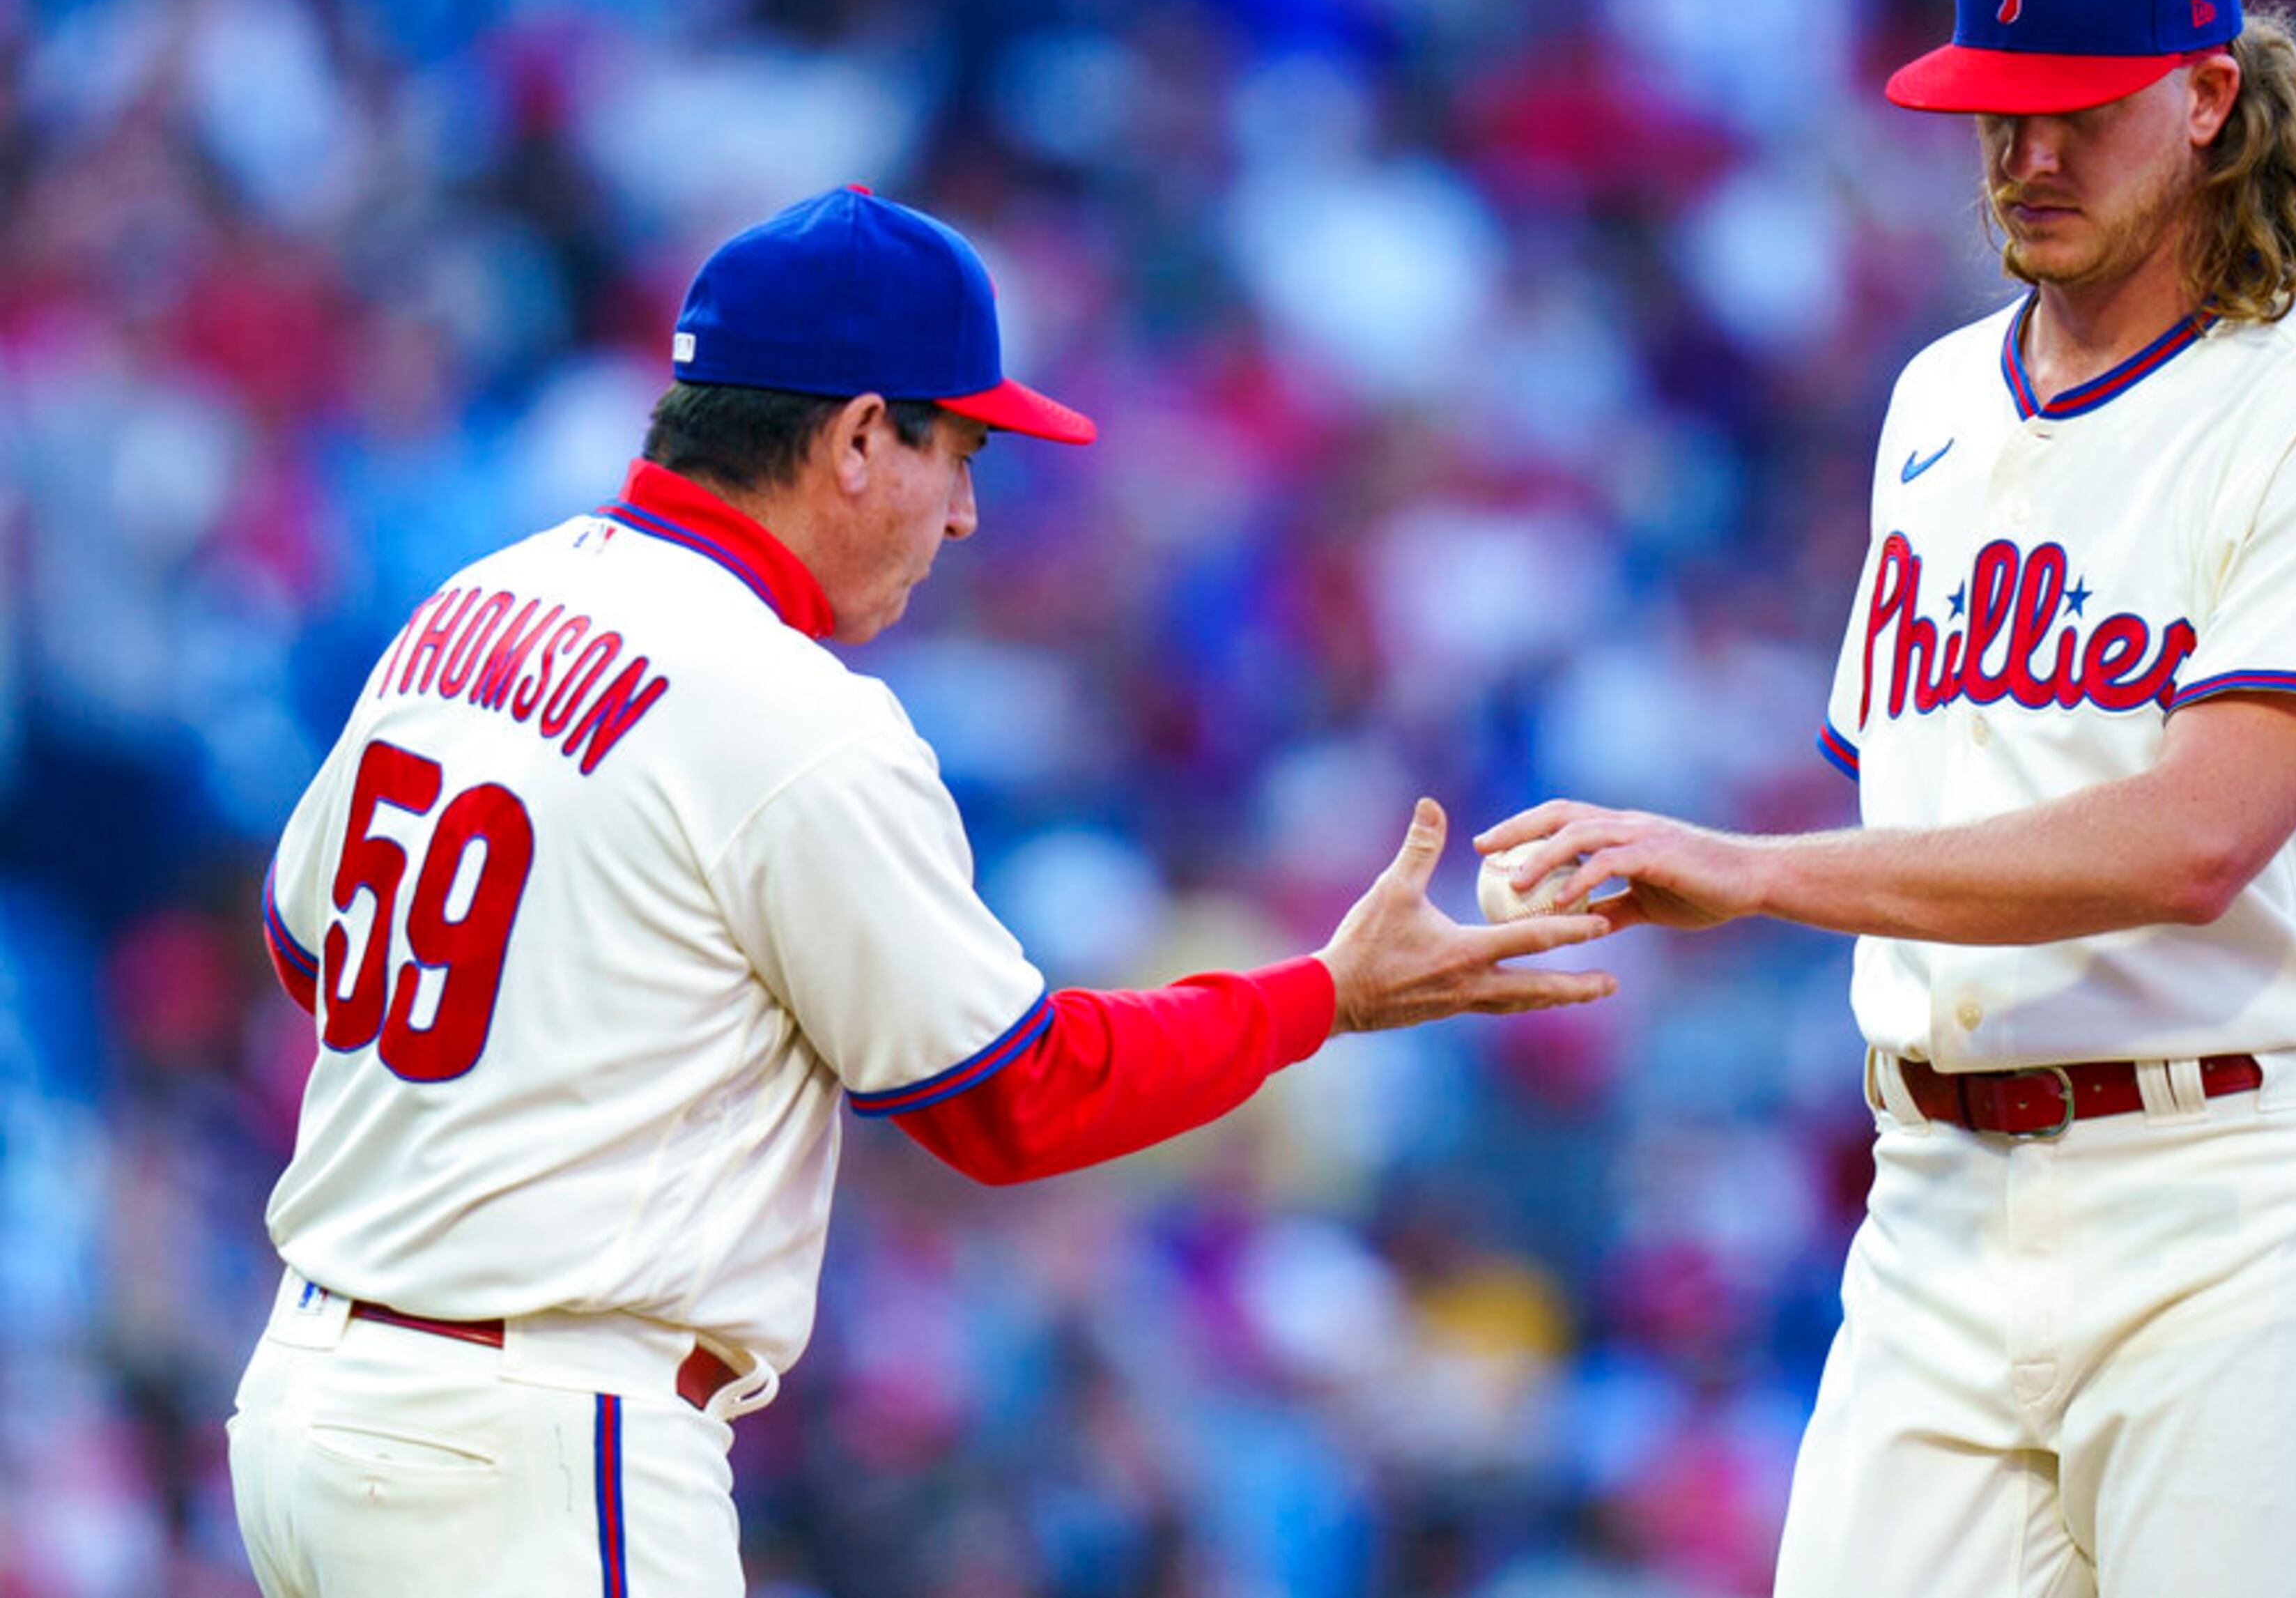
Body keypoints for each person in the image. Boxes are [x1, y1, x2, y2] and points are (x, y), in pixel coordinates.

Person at [229, 184, 1617, 1598]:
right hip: (528, 1443)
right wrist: (1321, 995)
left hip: (309, 1405)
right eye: (954, 449)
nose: (963, 513)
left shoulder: (476, 600)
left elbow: (307, 946)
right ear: (854, 435)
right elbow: (1017, 1100)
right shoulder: (789, 713)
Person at [1483, 0, 2296, 1598]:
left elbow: (2195, 840)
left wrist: (1759, 869)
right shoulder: (1937, 400)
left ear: (2203, 97)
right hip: (1935, 1199)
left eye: (2076, 107)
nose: (2026, 153)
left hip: (2219, 1201)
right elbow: (1940, 805)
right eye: (1996, 107)